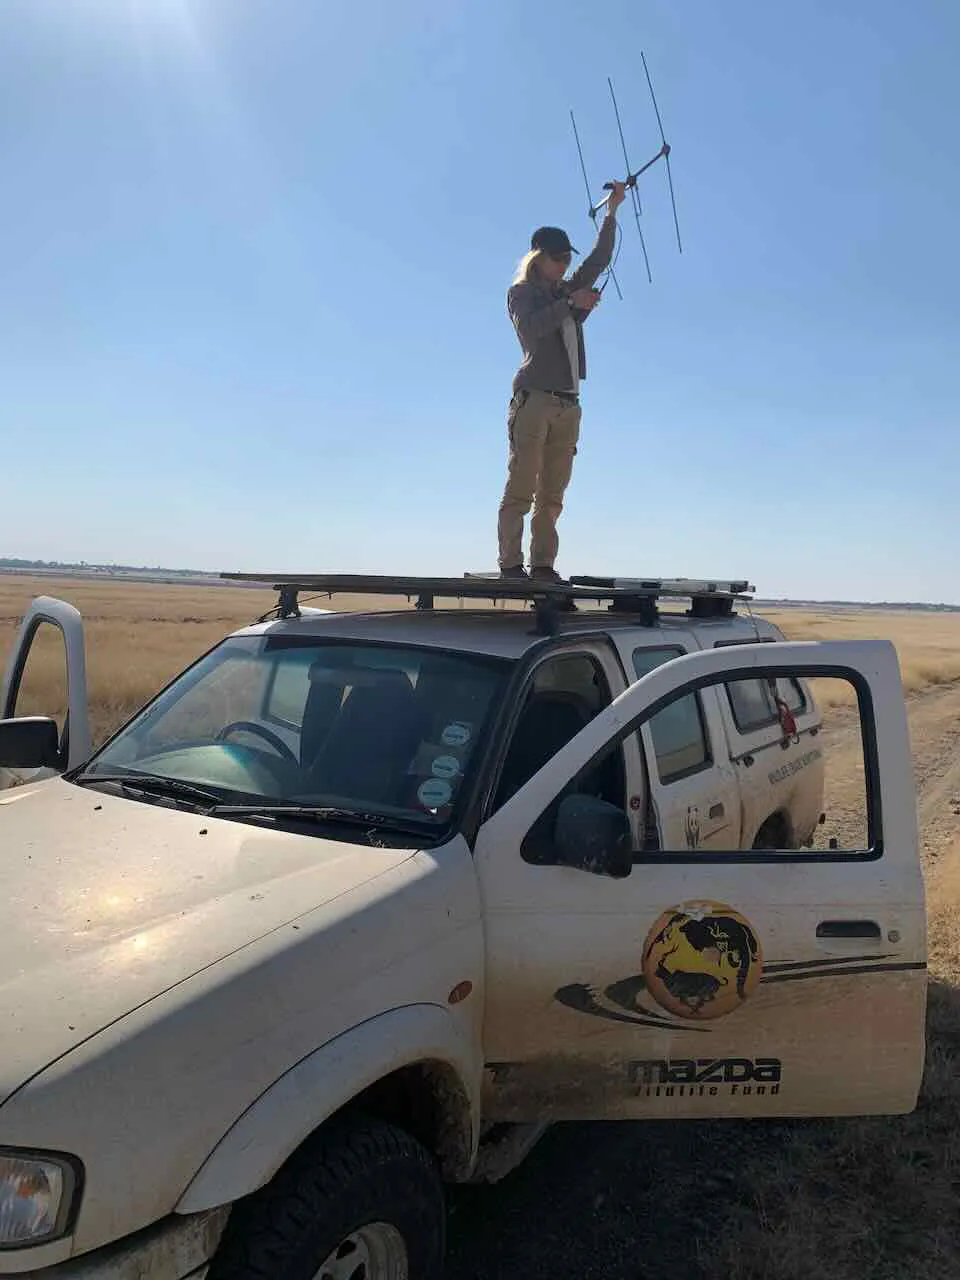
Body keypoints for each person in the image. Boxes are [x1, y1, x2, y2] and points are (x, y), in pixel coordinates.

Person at [497, 181, 627, 583]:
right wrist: (571, 304)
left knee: (552, 494)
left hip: (569, 403)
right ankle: (511, 566)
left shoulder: (564, 288)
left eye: (567, 259)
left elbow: (599, 260)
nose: (565, 266)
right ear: (538, 259)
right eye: (557, 259)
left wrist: (612, 213)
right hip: (534, 398)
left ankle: (542, 567)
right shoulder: (521, 294)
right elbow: (533, 329)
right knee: (522, 484)